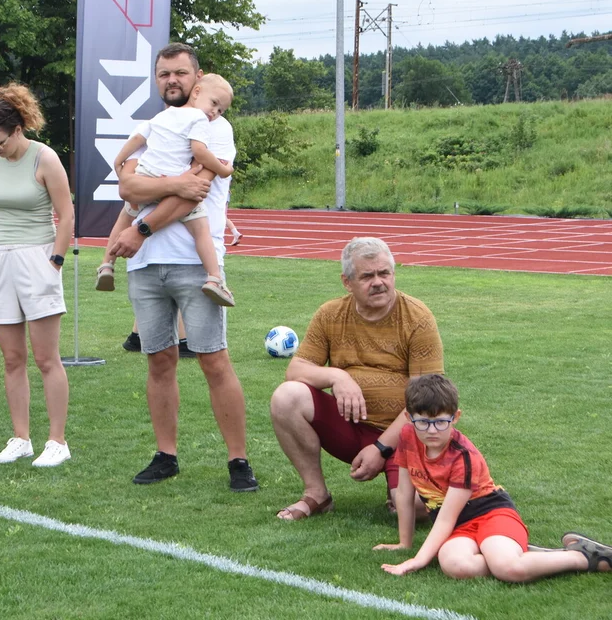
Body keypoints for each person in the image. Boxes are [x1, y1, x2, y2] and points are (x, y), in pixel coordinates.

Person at [107, 42, 258, 492]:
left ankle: (238, 461)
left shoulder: (216, 127)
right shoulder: (152, 126)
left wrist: (140, 230)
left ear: (197, 77)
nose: (171, 80)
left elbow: (194, 192)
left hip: (194, 262)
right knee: (159, 362)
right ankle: (165, 456)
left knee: (214, 361)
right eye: (163, 74)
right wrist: (170, 183)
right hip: (146, 267)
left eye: (179, 73)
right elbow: (127, 185)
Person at [270, 237, 444, 520]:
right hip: (350, 428)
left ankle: (400, 489)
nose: (378, 282)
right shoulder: (330, 314)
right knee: (287, 396)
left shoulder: (418, 317)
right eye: (367, 276)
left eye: (384, 273)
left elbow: (428, 400)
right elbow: (296, 370)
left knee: (415, 510)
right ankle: (317, 495)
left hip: (407, 435)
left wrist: (381, 448)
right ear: (347, 282)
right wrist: (337, 376)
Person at [374, 372, 612, 580]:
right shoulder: (407, 435)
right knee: (454, 565)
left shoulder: (464, 457)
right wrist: (404, 543)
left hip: (491, 514)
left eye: (441, 422)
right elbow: (404, 493)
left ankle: (581, 556)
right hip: (460, 525)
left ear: (455, 417)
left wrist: (418, 560)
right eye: (423, 422)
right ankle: (512, 551)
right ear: (409, 418)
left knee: (509, 569)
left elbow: (445, 518)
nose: (432, 430)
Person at [0, 82, 74, 468]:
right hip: (0, 260)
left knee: (46, 358)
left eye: (0, 142)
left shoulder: (45, 158)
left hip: (38, 257)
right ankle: (21, 438)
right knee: (12, 358)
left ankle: (57, 441)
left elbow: (67, 215)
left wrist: (55, 262)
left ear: (17, 129)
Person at [97, 74, 236, 307]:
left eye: (221, 111)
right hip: (175, 183)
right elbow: (200, 154)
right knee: (201, 228)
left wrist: (118, 161)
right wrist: (224, 170)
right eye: (214, 104)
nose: (215, 113)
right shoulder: (199, 120)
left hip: (148, 177)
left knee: (127, 213)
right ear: (197, 91)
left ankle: (106, 264)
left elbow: (138, 139)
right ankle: (214, 278)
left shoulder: (160, 117)